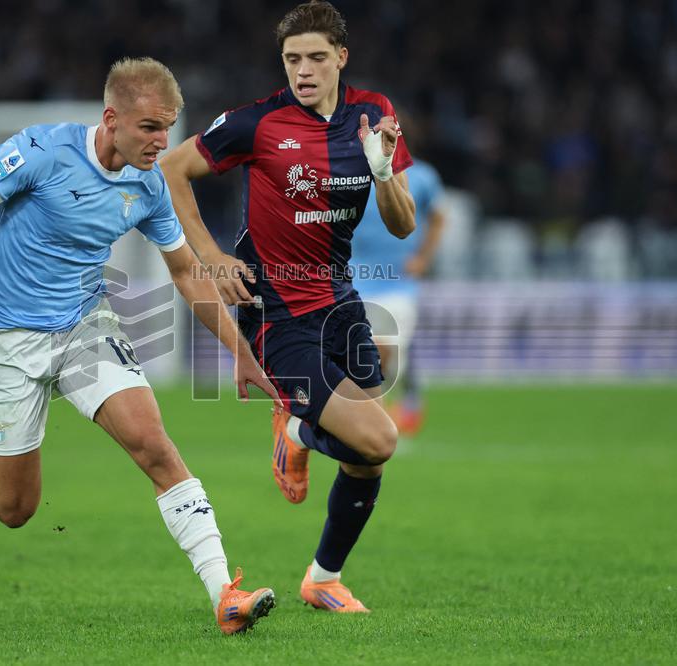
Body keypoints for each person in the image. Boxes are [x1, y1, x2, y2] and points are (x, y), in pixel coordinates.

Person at [0, 57, 278, 635]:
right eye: (148, 127)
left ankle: (224, 593)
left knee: (154, 443)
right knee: (15, 509)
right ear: (111, 118)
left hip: (81, 323)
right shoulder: (43, 151)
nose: (160, 141)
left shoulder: (149, 185)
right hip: (2, 333)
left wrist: (239, 351)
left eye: (167, 127)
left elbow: (187, 272)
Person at [160, 1, 415, 613]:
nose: (303, 70)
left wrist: (381, 170)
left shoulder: (374, 114)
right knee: (380, 440)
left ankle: (322, 577)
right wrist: (210, 255)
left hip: (341, 300)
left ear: (341, 59)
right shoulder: (258, 123)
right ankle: (296, 427)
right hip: (275, 313)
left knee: (363, 460)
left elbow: (403, 226)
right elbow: (172, 168)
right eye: (292, 58)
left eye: (316, 58)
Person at [350, 149, 446, 436]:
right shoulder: (345, 174)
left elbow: (439, 217)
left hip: (398, 282)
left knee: (383, 349)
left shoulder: (422, 175)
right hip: (351, 277)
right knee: (357, 355)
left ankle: (385, 412)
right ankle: (374, 420)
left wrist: (424, 258)